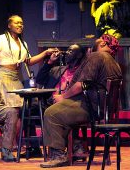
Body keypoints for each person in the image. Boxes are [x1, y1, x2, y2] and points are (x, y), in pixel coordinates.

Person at [40, 34, 122, 168]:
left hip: (91, 108)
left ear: (102, 44)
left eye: (99, 39)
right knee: (62, 110)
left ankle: (59, 156)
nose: (95, 40)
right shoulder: (115, 62)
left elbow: (81, 84)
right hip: (102, 109)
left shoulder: (98, 56)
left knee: (51, 113)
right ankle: (77, 147)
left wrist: (63, 96)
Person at [0, 15, 56, 155]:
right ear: (9, 25)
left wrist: (46, 53)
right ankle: (10, 143)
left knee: (22, 110)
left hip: (17, 76)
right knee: (12, 110)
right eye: (17, 23)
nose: (20, 25)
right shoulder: (1, 39)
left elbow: (28, 61)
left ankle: (12, 142)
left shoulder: (23, 43)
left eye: (22, 23)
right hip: (4, 75)